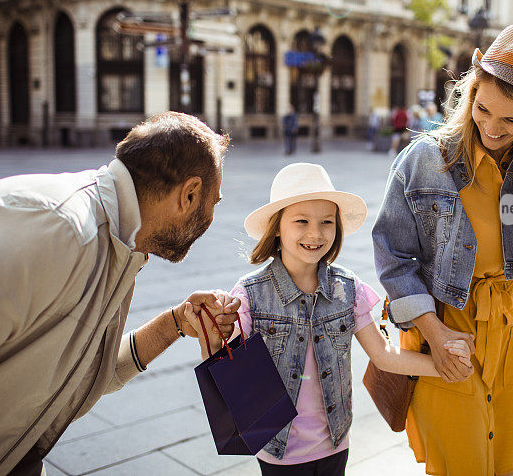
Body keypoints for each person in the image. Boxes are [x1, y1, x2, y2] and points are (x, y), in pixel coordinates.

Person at [0, 112, 242, 475]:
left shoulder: (118, 242)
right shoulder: (59, 229)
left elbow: (85, 374)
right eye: (214, 201)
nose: (213, 214)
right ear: (189, 194)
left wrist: (176, 323)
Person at [372, 24, 513, 476]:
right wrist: (434, 334)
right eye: (482, 109)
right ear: (471, 91)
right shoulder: (424, 159)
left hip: (512, 328)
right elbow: (392, 257)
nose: (491, 127)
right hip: (446, 326)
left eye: (511, 121)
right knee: (458, 466)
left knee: (500, 464)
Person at [185, 163, 471, 476]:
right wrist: (209, 330)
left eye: (326, 222)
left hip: (335, 442)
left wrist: (443, 366)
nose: (315, 233)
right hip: (278, 450)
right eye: (301, 221)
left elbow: (383, 355)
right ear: (277, 227)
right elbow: (225, 367)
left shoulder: (349, 288)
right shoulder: (249, 293)